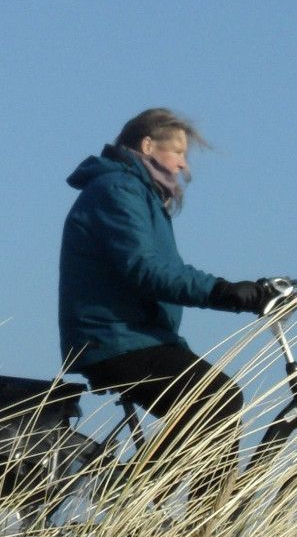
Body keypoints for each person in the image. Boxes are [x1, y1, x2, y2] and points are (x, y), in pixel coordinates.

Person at [58, 108, 276, 513]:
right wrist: (228, 293)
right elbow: (148, 270)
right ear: (146, 146)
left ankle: (196, 528)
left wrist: (243, 292)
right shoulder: (118, 190)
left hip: (138, 336)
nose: (183, 164)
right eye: (177, 152)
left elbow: (164, 271)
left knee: (216, 404)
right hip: (114, 339)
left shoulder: (139, 194)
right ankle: (147, 505)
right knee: (217, 399)